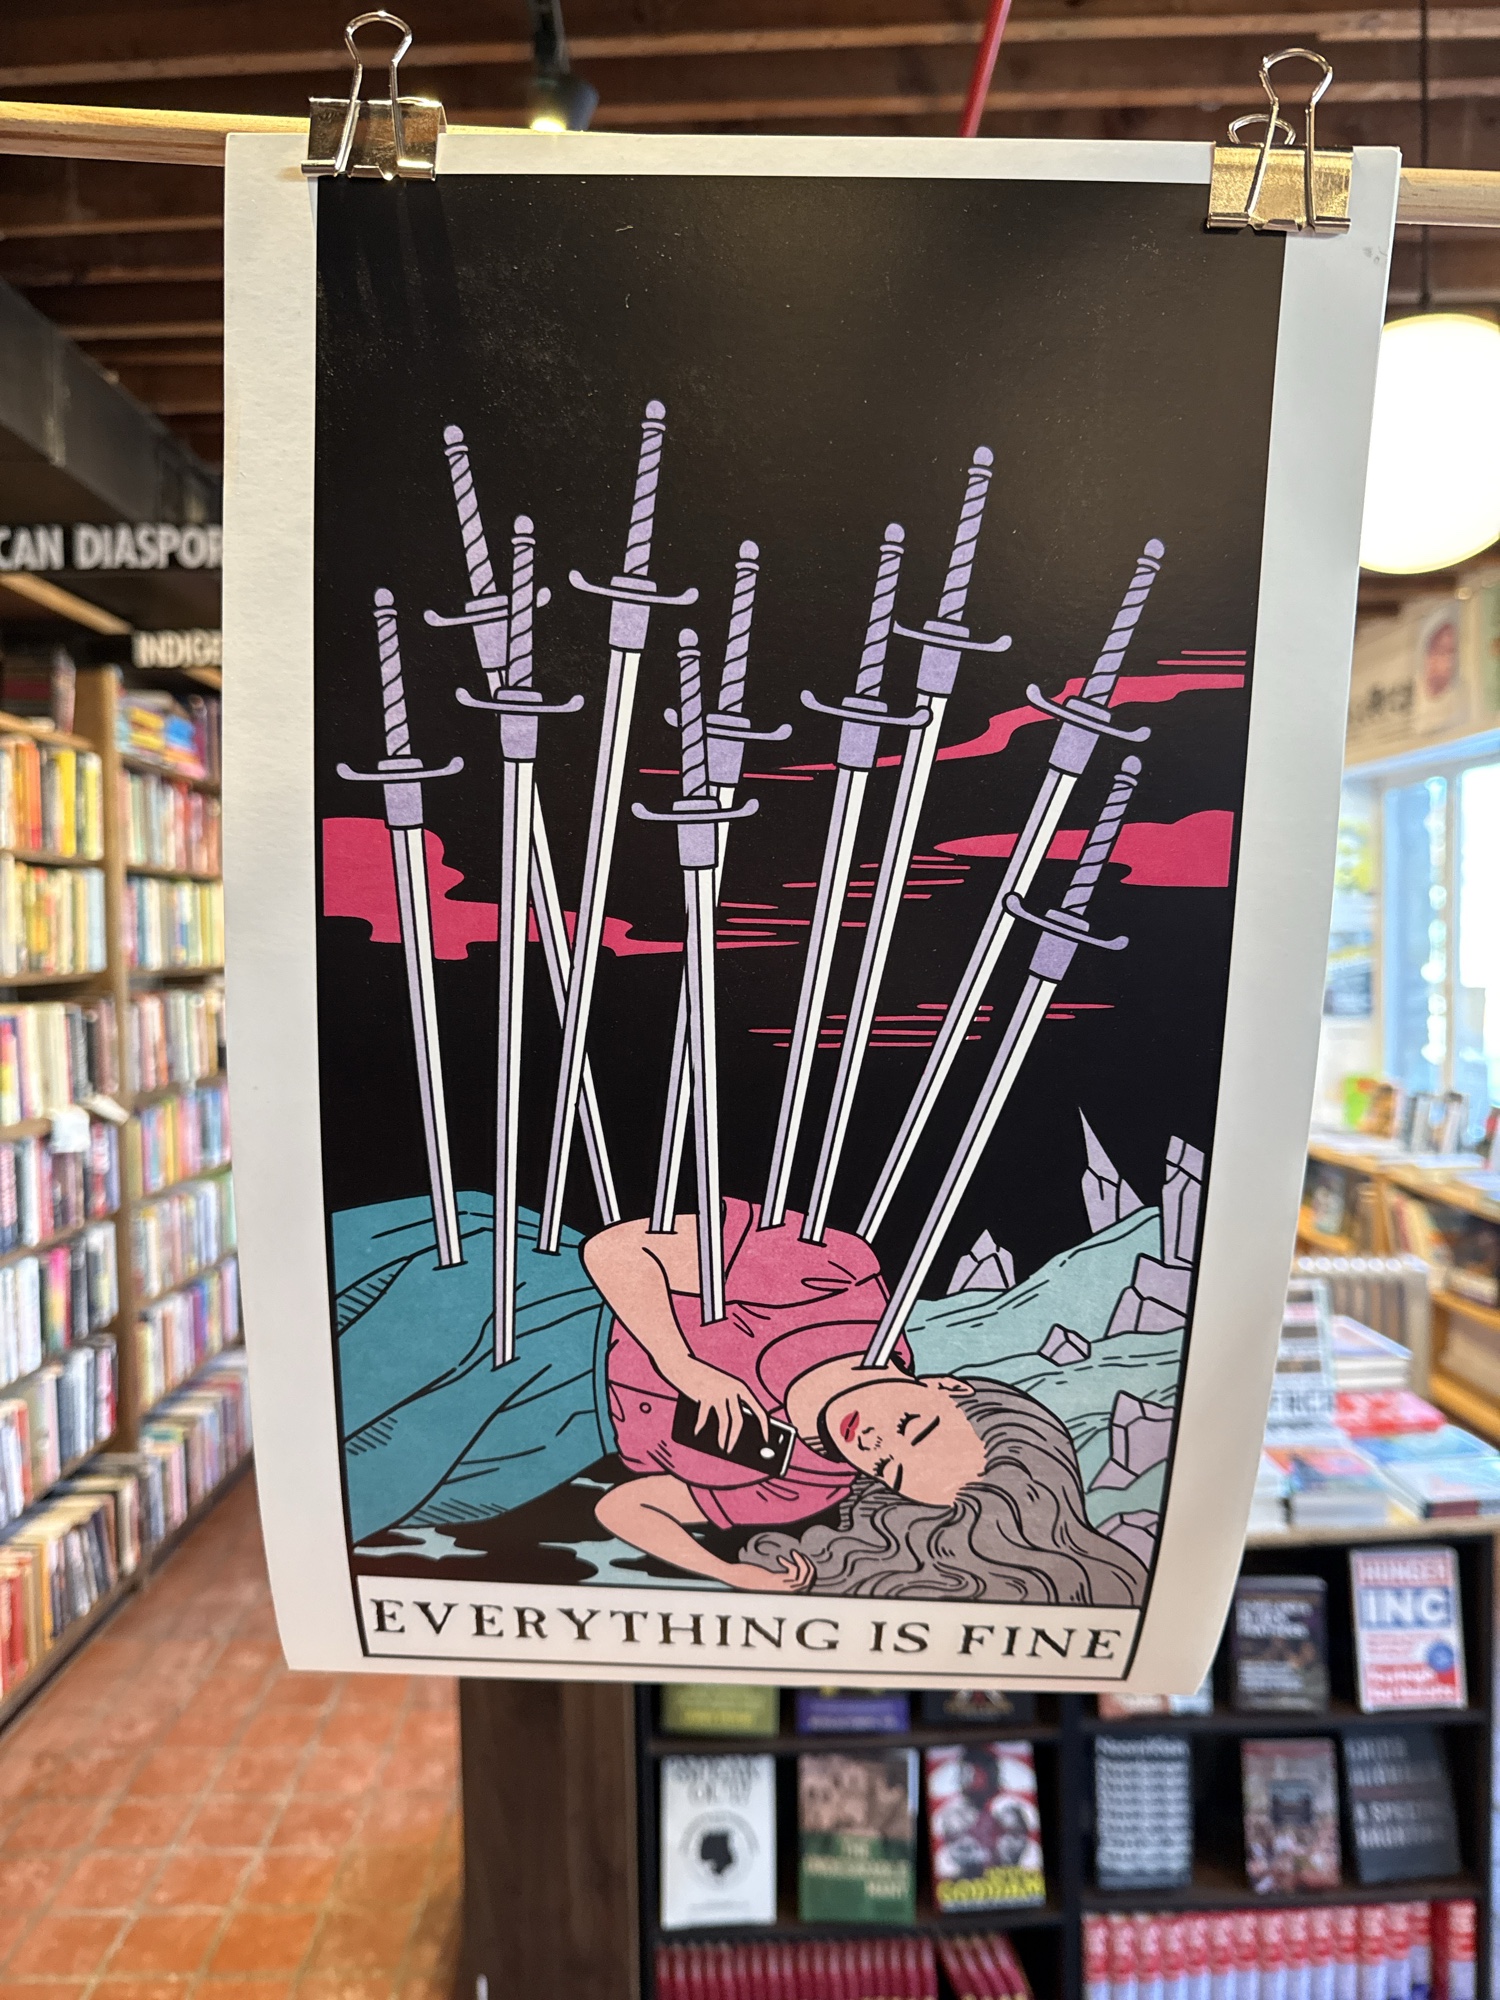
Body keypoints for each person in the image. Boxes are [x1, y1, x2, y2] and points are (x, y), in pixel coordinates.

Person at [589, 1197, 1146, 1604]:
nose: (875, 1443)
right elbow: (616, 1249)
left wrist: (727, 1572)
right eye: (912, 1426)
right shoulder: (837, 1281)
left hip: (565, 1436)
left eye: (886, 1467)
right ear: (946, 1386)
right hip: (562, 1301)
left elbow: (623, 1507)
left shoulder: (806, 1485)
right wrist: (682, 1364)